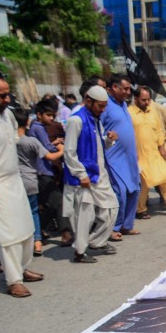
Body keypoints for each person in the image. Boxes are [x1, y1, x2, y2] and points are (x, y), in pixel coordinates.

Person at [0, 70, 43, 297]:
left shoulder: (7, 115)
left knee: (26, 229)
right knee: (7, 236)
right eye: (2, 95)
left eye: (8, 94)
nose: (7, 100)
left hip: (14, 181)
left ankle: (23, 269)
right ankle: (13, 279)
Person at [62, 85, 119, 264]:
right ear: (88, 101)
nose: (102, 110)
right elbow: (69, 152)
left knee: (111, 208)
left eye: (104, 107)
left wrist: (110, 140)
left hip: (99, 174)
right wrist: (81, 174)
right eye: (100, 106)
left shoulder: (96, 120)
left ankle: (96, 242)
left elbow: (99, 146)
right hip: (83, 177)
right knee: (85, 216)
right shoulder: (75, 121)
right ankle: (79, 252)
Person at [14, 108, 63, 257]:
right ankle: (37, 243)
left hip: (14, 181)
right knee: (33, 212)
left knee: (18, 214)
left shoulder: (9, 141)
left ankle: (21, 245)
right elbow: (50, 156)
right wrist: (62, 149)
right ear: (27, 121)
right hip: (30, 180)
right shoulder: (31, 141)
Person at [129, 86, 166, 219]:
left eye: (148, 100)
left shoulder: (152, 111)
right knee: (145, 183)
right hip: (139, 154)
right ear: (136, 99)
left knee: (165, 178)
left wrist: (162, 147)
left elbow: (159, 130)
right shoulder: (129, 113)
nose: (147, 102)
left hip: (155, 152)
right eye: (143, 100)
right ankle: (140, 210)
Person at [100, 74, 141, 240]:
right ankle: (113, 227)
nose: (128, 91)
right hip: (114, 156)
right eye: (124, 88)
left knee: (135, 188)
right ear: (114, 88)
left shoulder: (123, 104)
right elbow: (99, 128)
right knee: (120, 191)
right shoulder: (105, 105)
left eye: (129, 88)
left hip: (129, 156)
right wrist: (107, 137)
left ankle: (126, 225)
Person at [29, 98, 72, 246]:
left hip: (43, 170)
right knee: (57, 201)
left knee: (50, 204)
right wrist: (60, 148)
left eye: (53, 115)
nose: (52, 118)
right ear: (39, 114)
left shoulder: (36, 127)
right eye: (49, 115)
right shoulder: (39, 128)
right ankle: (65, 233)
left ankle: (37, 230)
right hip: (42, 170)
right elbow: (46, 148)